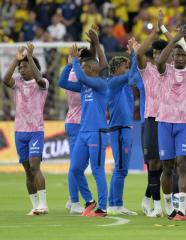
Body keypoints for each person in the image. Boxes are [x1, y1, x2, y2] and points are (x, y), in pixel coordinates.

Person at [155, 27, 186, 220]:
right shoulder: (165, 71)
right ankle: (168, 205)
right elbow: (159, 61)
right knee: (166, 168)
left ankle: (181, 209)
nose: (181, 58)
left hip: (185, 124)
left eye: (184, 55)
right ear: (172, 57)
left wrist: (184, 44)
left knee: (183, 165)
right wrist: (174, 40)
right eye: (177, 55)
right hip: (165, 123)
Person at [59, 44, 108, 217]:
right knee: (75, 169)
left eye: (83, 66)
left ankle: (102, 207)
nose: (79, 69)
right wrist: (68, 65)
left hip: (98, 132)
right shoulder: (83, 86)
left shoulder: (100, 84)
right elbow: (62, 82)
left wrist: (74, 60)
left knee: (97, 170)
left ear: (92, 69)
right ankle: (89, 200)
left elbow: (81, 75)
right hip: (83, 132)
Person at [2, 43, 49, 215]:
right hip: (19, 131)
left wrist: (30, 56)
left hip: (36, 130)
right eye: (20, 68)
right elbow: (5, 80)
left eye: (25, 66)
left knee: (35, 166)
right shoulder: (18, 84)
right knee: (28, 171)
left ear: (34, 66)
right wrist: (16, 59)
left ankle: (44, 204)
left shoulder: (42, 82)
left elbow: (39, 80)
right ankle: (35, 206)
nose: (21, 70)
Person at [135, 11, 171, 216]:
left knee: (168, 165)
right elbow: (139, 53)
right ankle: (156, 206)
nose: (158, 56)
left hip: (170, 119)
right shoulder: (146, 70)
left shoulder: (173, 69)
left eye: (162, 53)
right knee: (153, 163)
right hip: (151, 120)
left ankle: (151, 199)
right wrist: (155, 32)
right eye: (156, 54)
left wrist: (167, 35)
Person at [106, 38, 139, 216]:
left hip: (124, 128)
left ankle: (114, 203)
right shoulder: (114, 82)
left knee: (120, 168)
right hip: (119, 129)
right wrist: (134, 53)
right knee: (121, 168)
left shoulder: (123, 84)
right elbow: (132, 73)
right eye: (124, 67)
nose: (127, 70)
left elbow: (133, 75)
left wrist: (133, 55)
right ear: (117, 70)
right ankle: (116, 204)